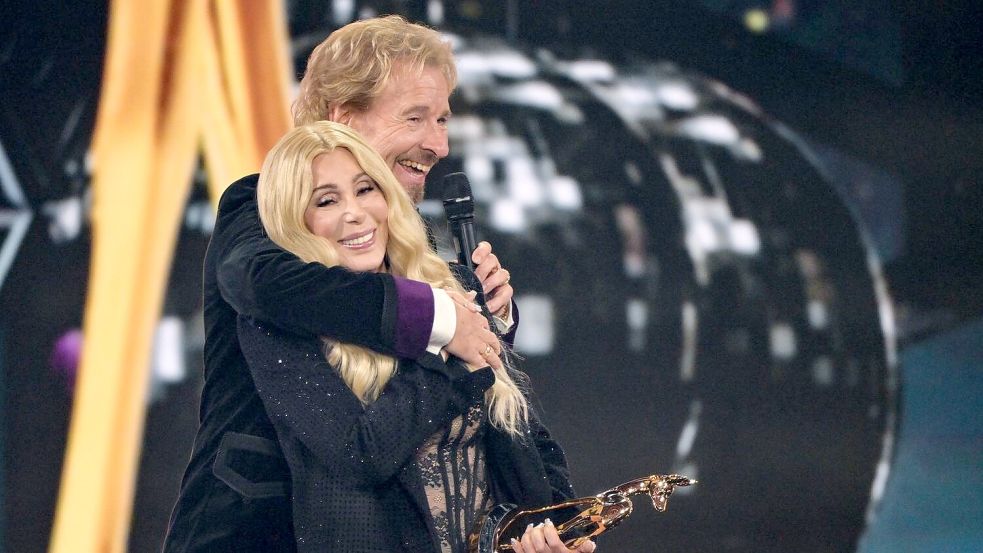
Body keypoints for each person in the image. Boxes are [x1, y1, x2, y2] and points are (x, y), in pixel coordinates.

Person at [164, 16, 517, 553]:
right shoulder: (261, 206)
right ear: (344, 117)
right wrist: (440, 317)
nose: (439, 144)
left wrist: (486, 319)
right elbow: (259, 281)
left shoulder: (403, 234)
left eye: (443, 119)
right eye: (416, 117)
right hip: (257, 531)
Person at [241, 120, 592, 553]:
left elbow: (524, 435)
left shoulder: (450, 287)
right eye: (327, 200)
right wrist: (445, 350)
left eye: (366, 189)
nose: (355, 212)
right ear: (295, 221)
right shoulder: (279, 327)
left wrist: (561, 528)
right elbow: (359, 454)